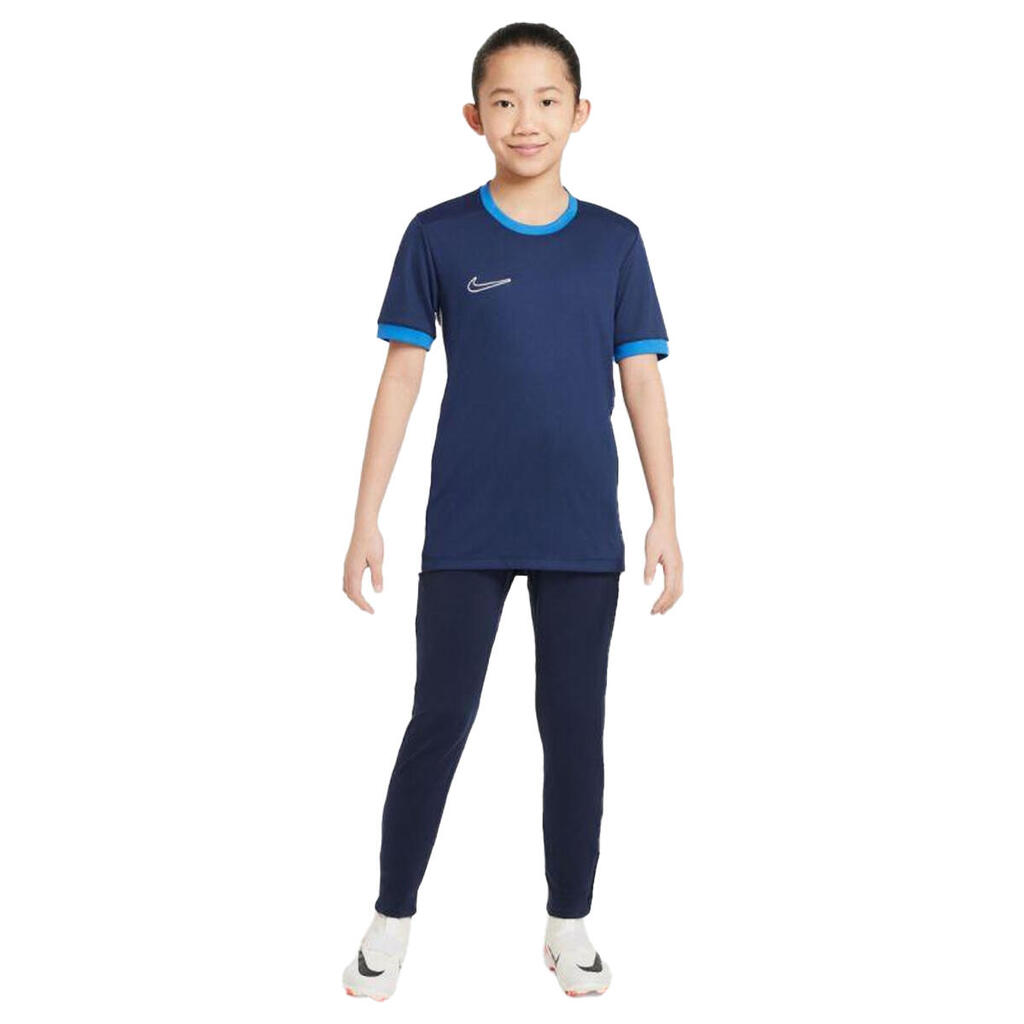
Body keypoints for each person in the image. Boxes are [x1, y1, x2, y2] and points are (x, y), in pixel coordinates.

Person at [342, 22, 683, 1000]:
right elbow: (401, 375)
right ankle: (390, 919)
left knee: (574, 727)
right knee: (439, 718)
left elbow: (644, 382)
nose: (525, 119)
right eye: (503, 101)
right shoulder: (438, 234)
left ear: (580, 113)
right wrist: (366, 517)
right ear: (473, 116)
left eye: (545, 100)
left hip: (582, 529)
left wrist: (665, 515)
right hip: (468, 527)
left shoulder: (615, 242)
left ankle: (568, 921)